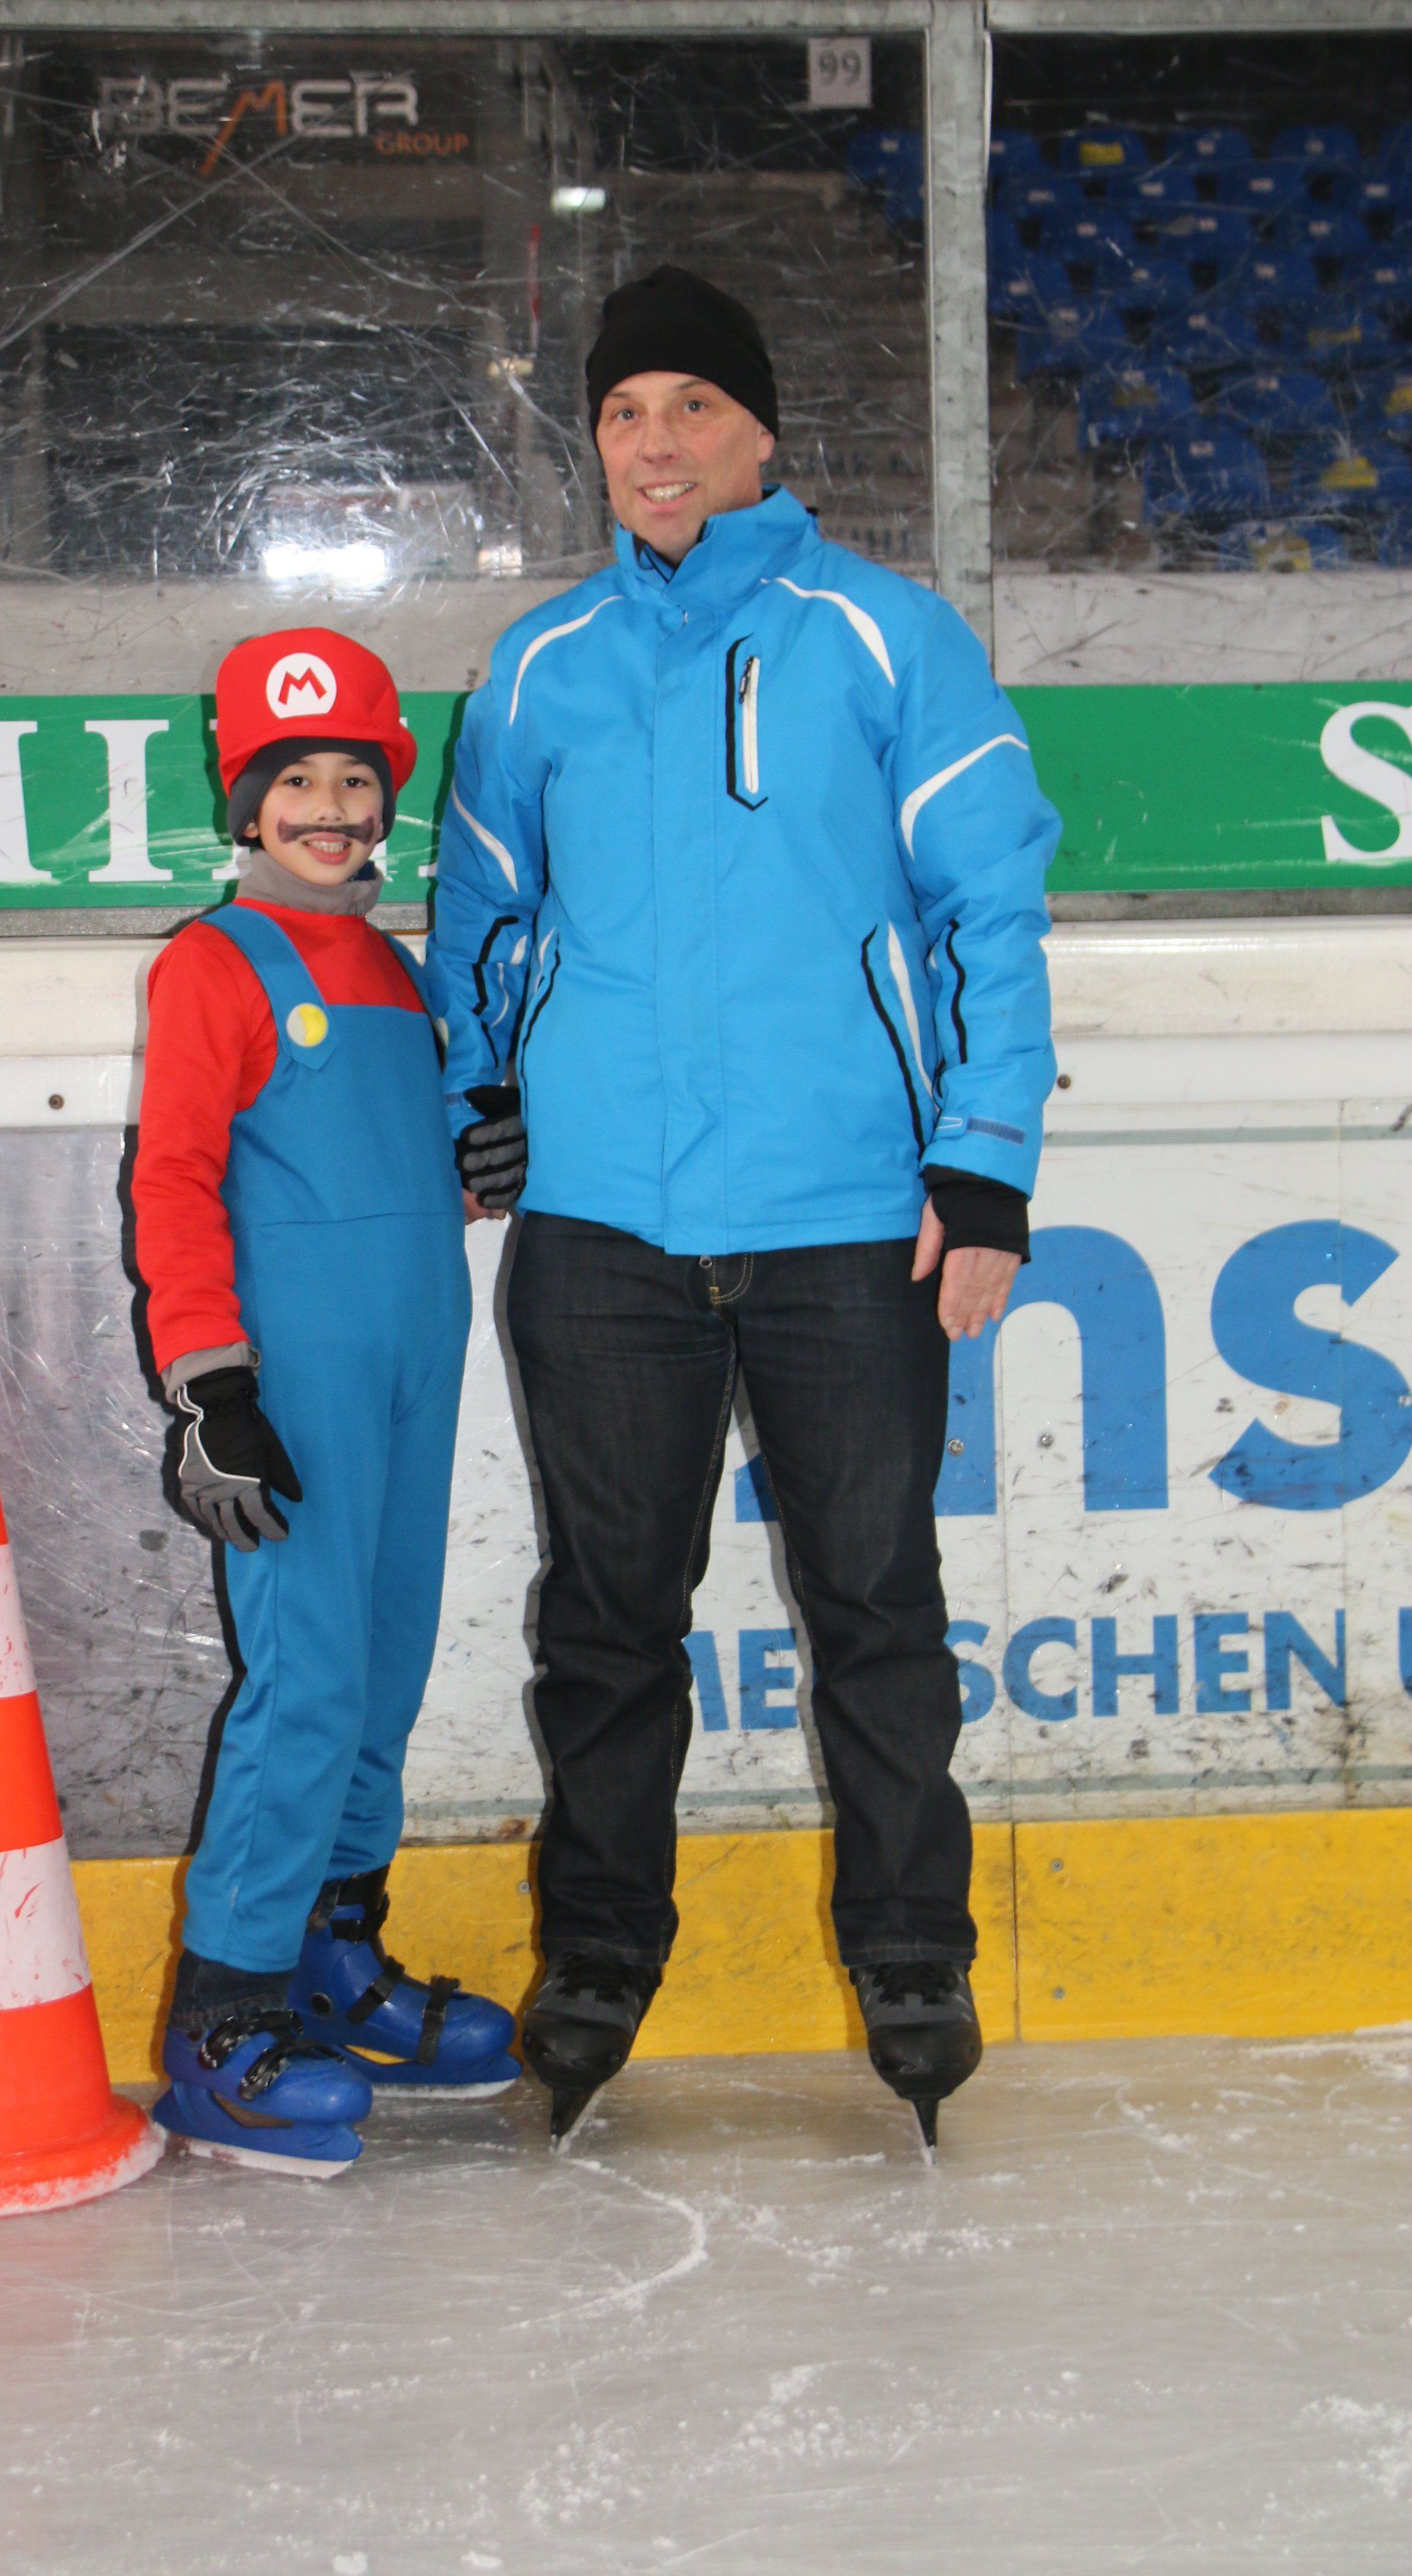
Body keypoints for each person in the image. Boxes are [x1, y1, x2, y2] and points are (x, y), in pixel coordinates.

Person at [429, 266, 1061, 2151]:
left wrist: (986, 1156)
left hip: (846, 1215)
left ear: (761, 431)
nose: (655, 443)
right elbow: (479, 905)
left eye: (692, 405)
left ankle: (911, 1951)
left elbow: (989, 902)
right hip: (601, 1232)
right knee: (607, 1618)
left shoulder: (884, 635)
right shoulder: (539, 665)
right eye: (624, 413)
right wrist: (484, 1089)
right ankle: (599, 1951)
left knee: (874, 1604)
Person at [132, 626, 522, 2177]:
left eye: (356, 780)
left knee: (380, 1672)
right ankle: (221, 2021)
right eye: (296, 781)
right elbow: (174, 1181)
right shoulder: (212, 962)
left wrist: (482, 1157)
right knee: (302, 1683)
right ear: (246, 803)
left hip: (415, 1365)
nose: (332, 810)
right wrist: (212, 1390)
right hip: (293, 1385)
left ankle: (330, 1960)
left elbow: (399, 1165)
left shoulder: (402, 974)